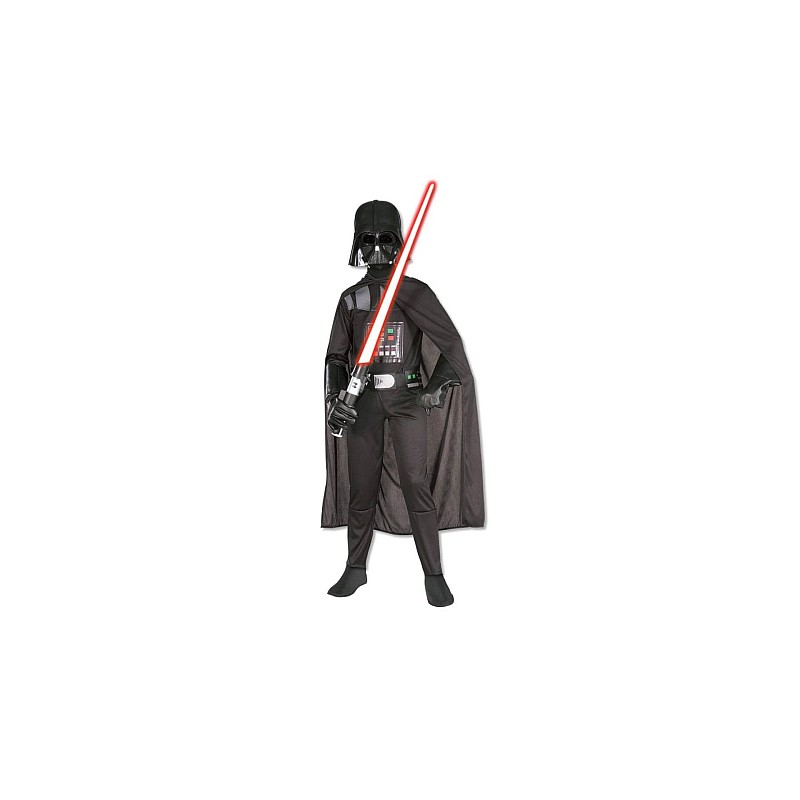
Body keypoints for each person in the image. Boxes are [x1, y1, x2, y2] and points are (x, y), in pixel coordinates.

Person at [321, 199, 484, 606]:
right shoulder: (351, 300)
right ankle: (355, 568)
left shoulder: (416, 293)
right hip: (363, 403)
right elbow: (336, 357)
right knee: (361, 488)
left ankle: (434, 574)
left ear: (398, 243)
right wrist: (335, 396)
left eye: (385, 239)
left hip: (408, 401)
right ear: (358, 244)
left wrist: (436, 386)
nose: (377, 249)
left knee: (416, 486)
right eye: (368, 240)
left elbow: (451, 346)